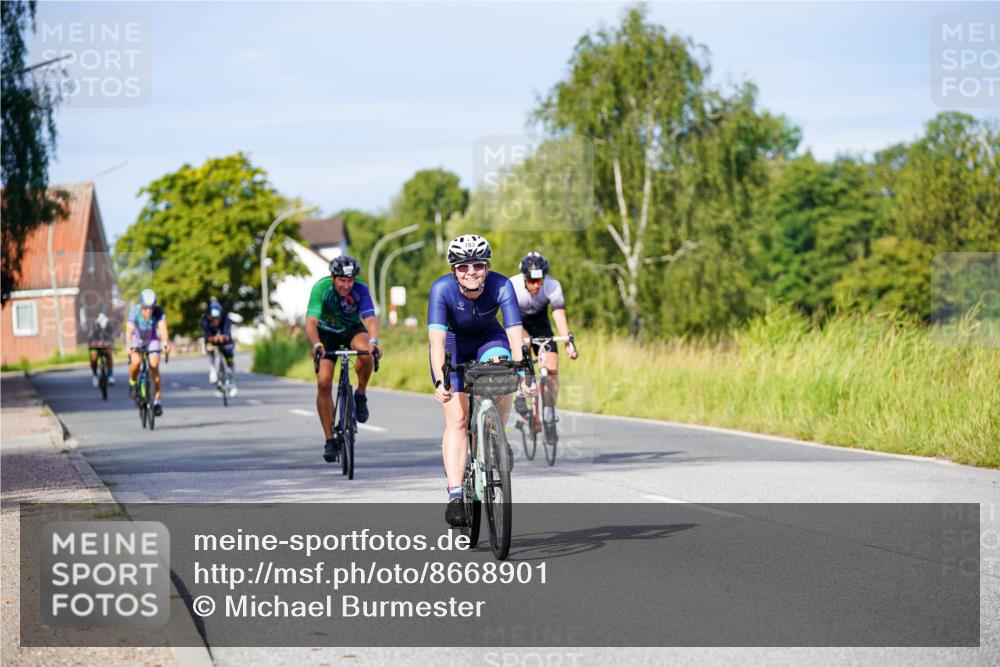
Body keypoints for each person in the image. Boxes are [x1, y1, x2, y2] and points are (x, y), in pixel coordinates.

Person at [428, 234, 531, 528]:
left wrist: (523, 372)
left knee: (505, 373)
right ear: (453, 271)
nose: (471, 271)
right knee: (458, 418)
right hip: (453, 344)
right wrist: (440, 381)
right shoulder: (441, 290)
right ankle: (456, 494)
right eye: (462, 267)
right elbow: (436, 343)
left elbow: (515, 335)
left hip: (489, 338)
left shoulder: (502, 286)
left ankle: (497, 436)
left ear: (487, 267)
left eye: (477, 265)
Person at [305, 255, 380, 463]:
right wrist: (316, 344)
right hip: (325, 334)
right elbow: (310, 323)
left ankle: (361, 394)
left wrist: (374, 341)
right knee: (323, 382)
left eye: (350, 281)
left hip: (351, 330)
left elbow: (371, 319)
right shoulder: (321, 288)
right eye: (342, 281)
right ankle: (329, 439)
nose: (347, 285)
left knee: (367, 352)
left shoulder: (361, 290)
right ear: (333, 277)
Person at [509, 251, 579, 443]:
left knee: (552, 369)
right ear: (524, 277)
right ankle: (520, 392)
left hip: (541, 323)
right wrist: (519, 340)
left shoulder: (552, 285)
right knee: (521, 349)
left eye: (539, 281)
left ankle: (548, 416)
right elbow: (509, 319)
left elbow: (558, 314)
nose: (535, 285)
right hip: (518, 322)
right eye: (531, 281)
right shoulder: (512, 285)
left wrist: (567, 343)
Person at [124, 289, 170, 416]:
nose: (148, 311)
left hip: (152, 339)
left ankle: (157, 401)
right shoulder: (134, 312)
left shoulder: (159, 312)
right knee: (136, 361)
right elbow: (128, 331)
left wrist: (165, 343)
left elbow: (163, 328)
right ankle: (132, 382)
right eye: (145, 308)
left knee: (154, 365)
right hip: (137, 339)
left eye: (151, 308)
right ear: (141, 305)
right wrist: (128, 345)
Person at [200, 300, 237, 397]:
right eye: (213, 319)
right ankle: (212, 369)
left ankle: (232, 380)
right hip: (211, 340)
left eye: (218, 318)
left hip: (225, 340)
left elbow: (228, 334)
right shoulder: (205, 321)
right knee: (209, 348)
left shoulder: (226, 319)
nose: (216, 321)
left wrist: (224, 337)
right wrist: (212, 339)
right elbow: (205, 335)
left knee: (229, 357)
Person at [87, 312, 117, 386]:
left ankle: (110, 375)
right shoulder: (94, 327)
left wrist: (108, 343)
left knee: (109, 354)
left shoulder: (109, 326)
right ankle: (95, 375)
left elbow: (112, 338)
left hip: (106, 346)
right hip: (96, 347)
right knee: (93, 356)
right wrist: (95, 343)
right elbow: (90, 339)